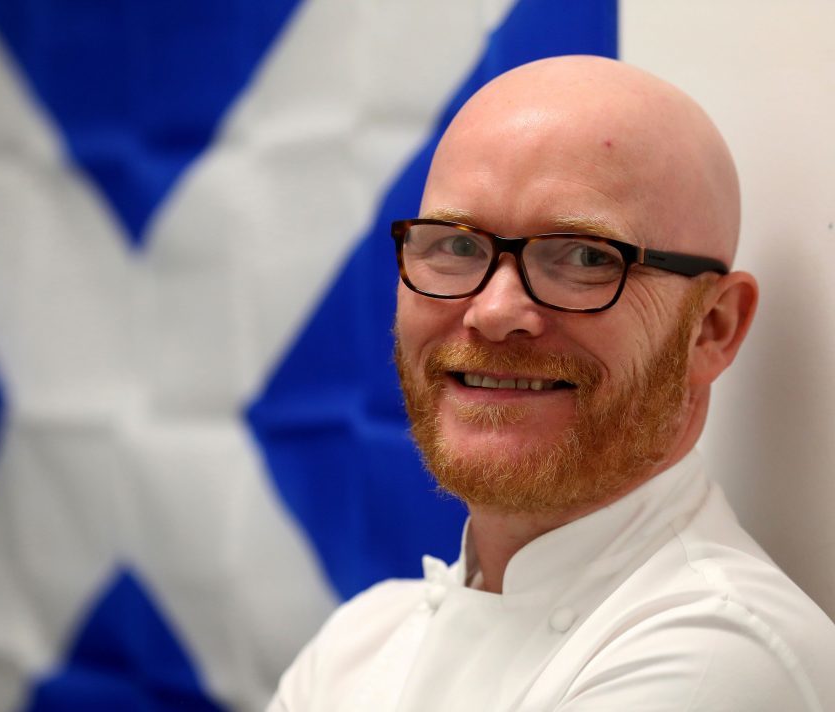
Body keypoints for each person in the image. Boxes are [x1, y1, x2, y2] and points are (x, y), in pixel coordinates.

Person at [268, 55, 835, 711]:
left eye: (585, 256)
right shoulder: (359, 643)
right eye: (456, 246)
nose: (494, 311)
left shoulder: (725, 652)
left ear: (713, 328)